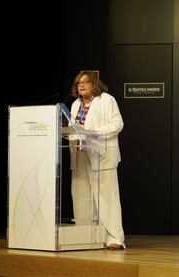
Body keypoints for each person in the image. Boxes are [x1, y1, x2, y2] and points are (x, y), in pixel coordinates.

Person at [69, 71, 125, 250]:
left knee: (107, 198)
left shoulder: (107, 100)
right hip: (80, 155)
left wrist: (95, 134)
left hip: (101, 154)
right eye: (78, 83)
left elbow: (117, 124)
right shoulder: (75, 104)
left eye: (85, 82)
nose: (81, 85)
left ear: (95, 84)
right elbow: (72, 128)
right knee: (81, 197)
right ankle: (86, 237)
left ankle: (114, 238)